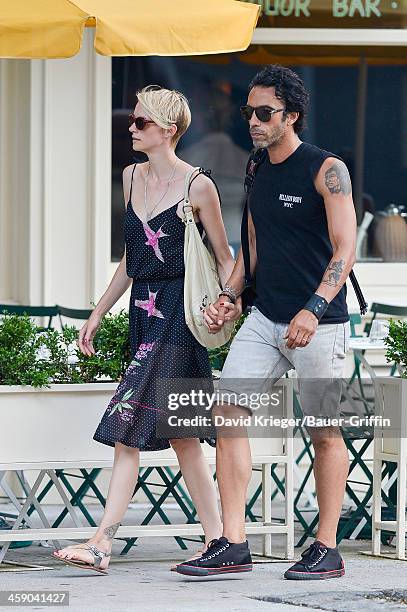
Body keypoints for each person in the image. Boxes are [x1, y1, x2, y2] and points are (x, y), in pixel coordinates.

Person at [175, 65, 356, 580]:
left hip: (319, 322)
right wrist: (230, 294)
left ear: (292, 116)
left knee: (324, 431)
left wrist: (313, 308)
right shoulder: (256, 169)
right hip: (265, 317)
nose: (252, 120)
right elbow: (250, 249)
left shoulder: (326, 169)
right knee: (228, 413)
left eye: (264, 112)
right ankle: (233, 542)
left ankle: (326, 547)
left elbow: (347, 250)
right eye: (248, 111)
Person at [53, 85, 235, 573]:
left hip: (179, 315)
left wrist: (228, 302)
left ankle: (101, 540)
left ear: (169, 130)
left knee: (128, 425)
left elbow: (224, 258)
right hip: (143, 311)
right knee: (183, 435)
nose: (131, 129)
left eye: (141, 123)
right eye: (132, 122)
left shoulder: (199, 185)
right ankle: (220, 540)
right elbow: (133, 258)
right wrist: (98, 312)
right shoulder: (131, 177)